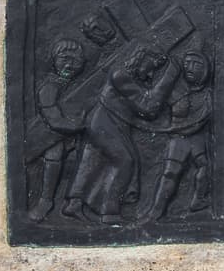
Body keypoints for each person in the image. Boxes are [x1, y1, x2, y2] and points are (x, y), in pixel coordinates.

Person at [64, 43, 179, 224]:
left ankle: (74, 204)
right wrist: (170, 76)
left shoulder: (133, 78)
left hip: (114, 125)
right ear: (143, 57)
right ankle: (110, 213)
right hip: (105, 124)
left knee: (91, 160)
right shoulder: (121, 76)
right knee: (125, 161)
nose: (151, 73)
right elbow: (148, 107)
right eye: (153, 66)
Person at [28, 36, 87, 219]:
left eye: (75, 60)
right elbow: (54, 120)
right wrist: (76, 125)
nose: (70, 65)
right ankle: (46, 200)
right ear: (54, 61)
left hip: (79, 136)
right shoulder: (50, 87)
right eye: (64, 59)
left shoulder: (82, 85)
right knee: (53, 152)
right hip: (57, 136)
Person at [152, 50, 214, 218]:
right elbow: (154, 107)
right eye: (187, 64)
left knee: (205, 166)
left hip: (195, 137)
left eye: (196, 64)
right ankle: (157, 211)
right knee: (170, 173)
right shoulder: (176, 92)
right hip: (179, 140)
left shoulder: (206, 95)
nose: (190, 68)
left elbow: (202, 118)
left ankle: (198, 200)